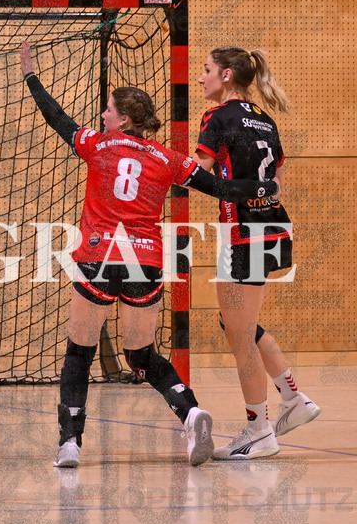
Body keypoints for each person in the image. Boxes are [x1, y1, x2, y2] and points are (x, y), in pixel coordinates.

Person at [21, 41, 280, 468]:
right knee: (141, 355)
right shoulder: (168, 157)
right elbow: (218, 188)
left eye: (108, 109)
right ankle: (191, 413)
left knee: (79, 353)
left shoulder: (97, 144)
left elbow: (57, 119)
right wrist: (261, 189)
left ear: (122, 119)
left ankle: (70, 444)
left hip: (98, 255)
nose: (102, 115)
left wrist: (31, 76)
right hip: (146, 261)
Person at [194, 47, 320, 460]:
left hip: (244, 234)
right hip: (271, 228)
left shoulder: (218, 118)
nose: (201, 79)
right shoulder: (265, 119)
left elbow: (198, 170)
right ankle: (292, 399)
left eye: (207, 71)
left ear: (227, 75)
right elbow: (277, 181)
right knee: (237, 326)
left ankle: (260, 430)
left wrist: (154, 162)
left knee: (241, 335)